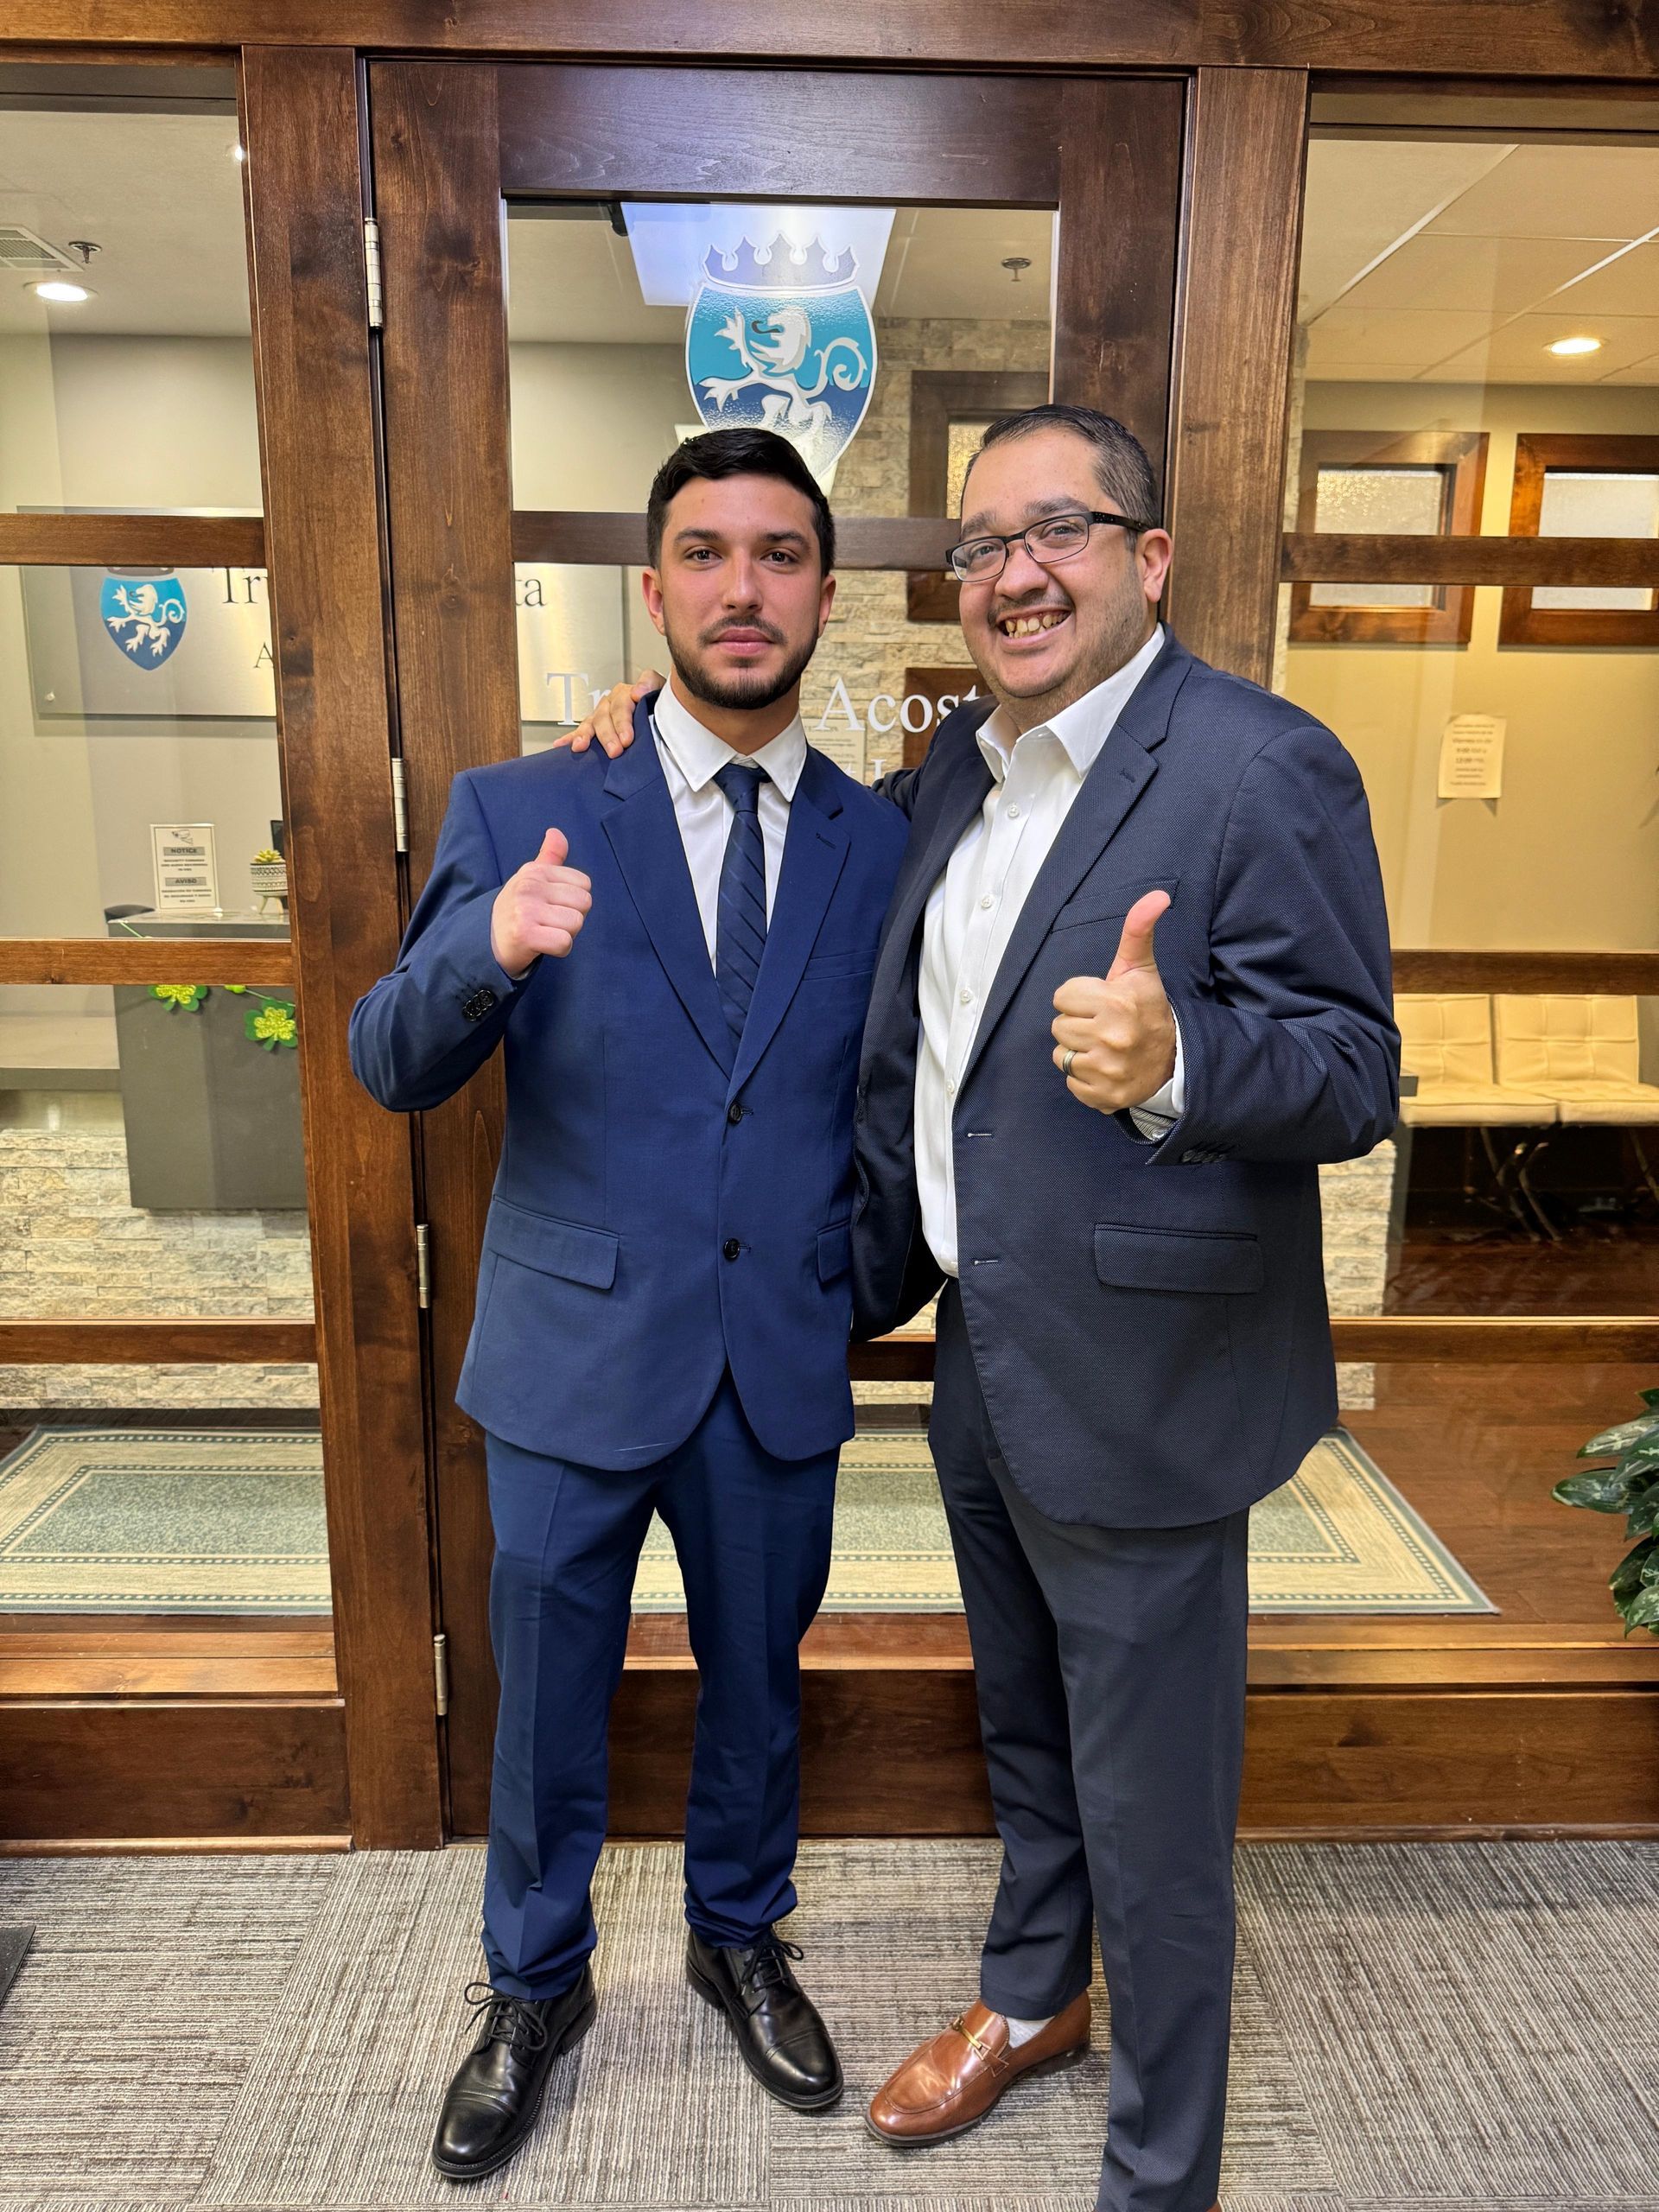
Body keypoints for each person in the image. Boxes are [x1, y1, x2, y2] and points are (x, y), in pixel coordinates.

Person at [569, 402, 1398, 2212]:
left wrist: (1188, 1056)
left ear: (1147, 557)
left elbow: (1352, 1069)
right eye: (982, 546)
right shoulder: (965, 768)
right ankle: (1034, 1993)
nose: (1015, 572)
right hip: (981, 1359)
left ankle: (1161, 2167)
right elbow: (823, 891)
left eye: (1061, 531)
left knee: (1160, 1815)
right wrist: (628, 747)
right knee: (1025, 1729)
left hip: (1152, 1380)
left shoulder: (1263, 764)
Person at [349, 427, 907, 2183]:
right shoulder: (526, 804)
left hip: (779, 1355)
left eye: (780, 553)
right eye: (706, 551)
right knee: (544, 1699)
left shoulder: (879, 838)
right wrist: (483, 949)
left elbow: (893, 1092)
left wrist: (861, 1284)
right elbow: (388, 1057)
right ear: (652, 585)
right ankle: (534, 1980)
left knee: (760, 1682)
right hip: (572, 1350)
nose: (743, 588)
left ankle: (741, 1934)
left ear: (824, 587)